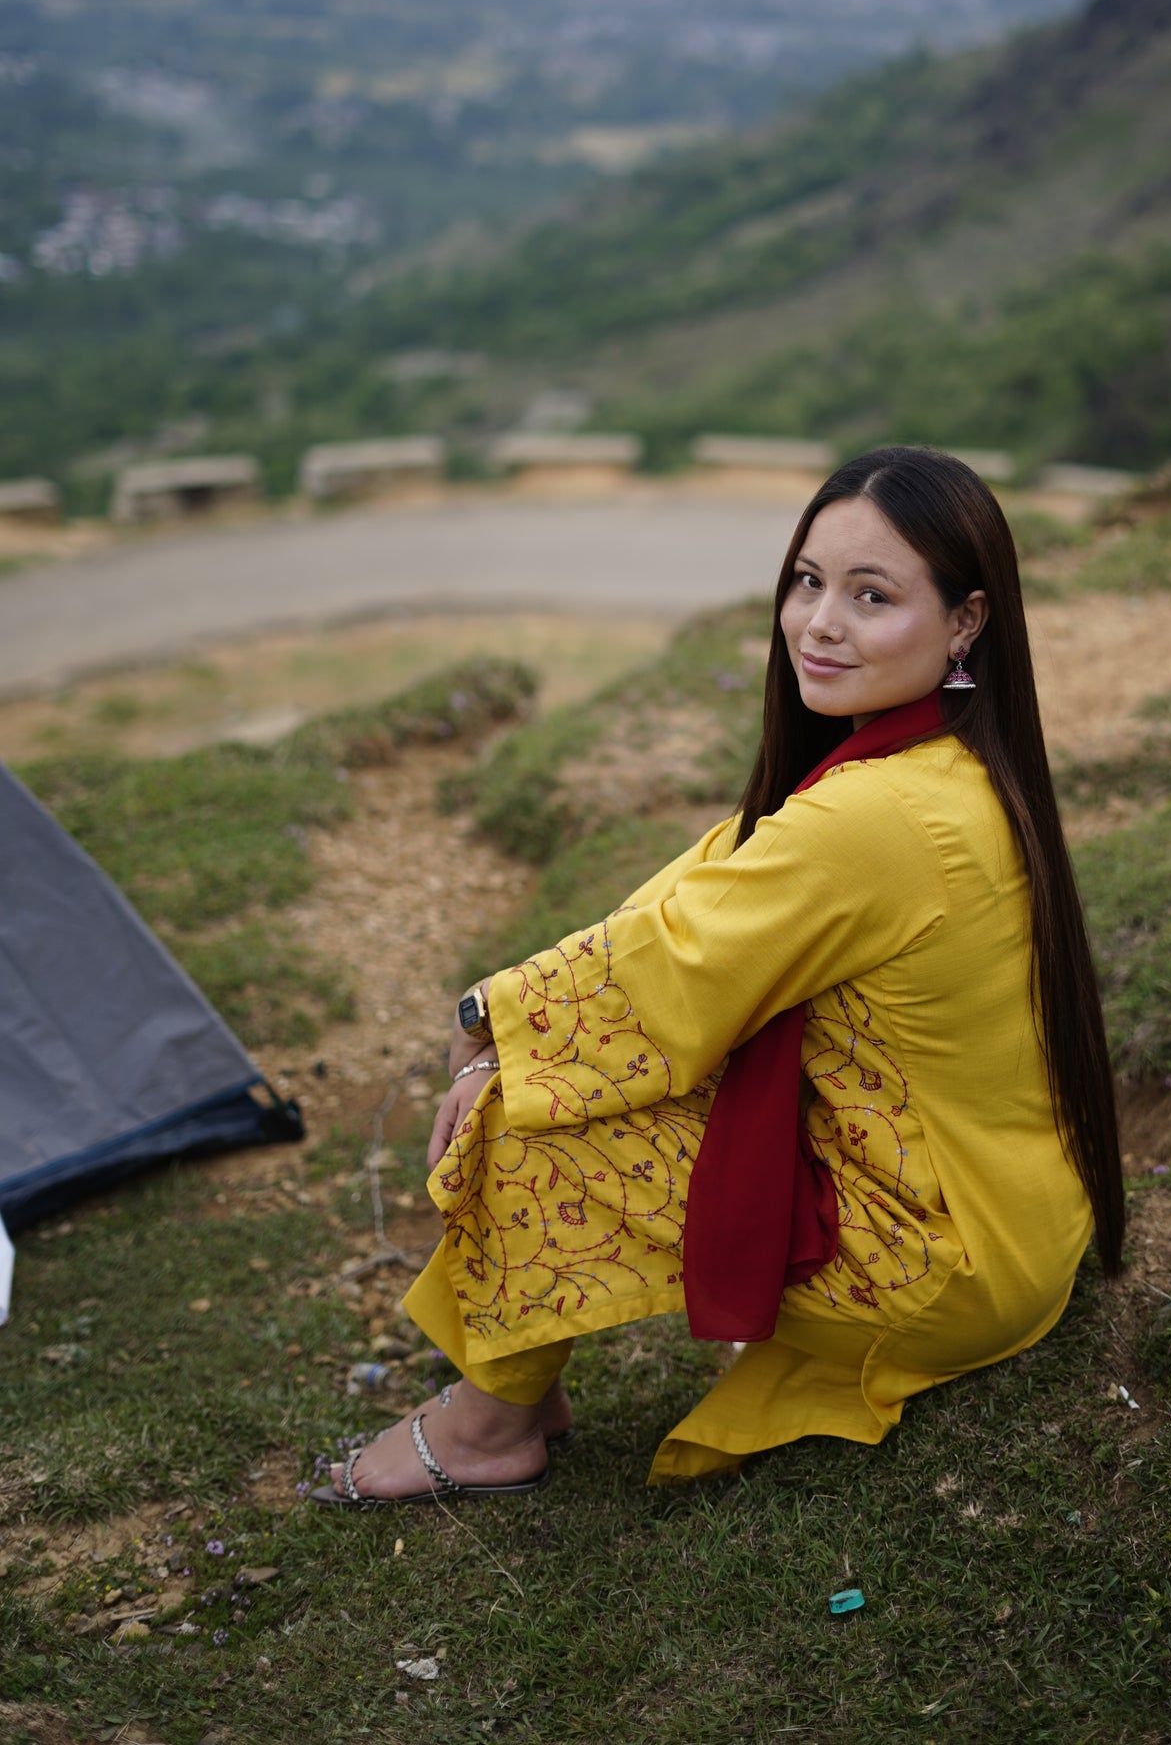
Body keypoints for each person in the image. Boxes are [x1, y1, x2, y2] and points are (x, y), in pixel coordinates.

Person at [315, 446, 1124, 1506]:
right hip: (1011, 1215)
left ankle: (486, 1427)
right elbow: (695, 894)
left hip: (938, 1255)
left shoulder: (879, 813)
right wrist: (515, 1012)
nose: (818, 622)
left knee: (527, 1115)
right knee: (587, 1057)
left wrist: (485, 1030)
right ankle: (518, 1381)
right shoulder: (938, 763)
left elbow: (669, 969)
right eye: (807, 580)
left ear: (964, 621)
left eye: (870, 595)